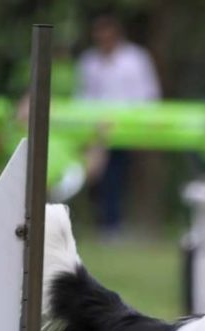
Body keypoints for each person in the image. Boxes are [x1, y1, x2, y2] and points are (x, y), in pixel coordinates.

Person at [76, 12, 161, 238]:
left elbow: (147, 94)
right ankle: (105, 221)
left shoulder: (136, 59)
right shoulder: (89, 61)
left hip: (128, 126)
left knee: (116, 174)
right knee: (96, 175)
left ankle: (112, 223)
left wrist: (142, 127)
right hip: (97, 128)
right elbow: (84, 96)